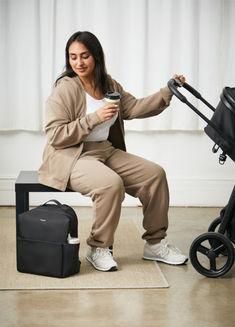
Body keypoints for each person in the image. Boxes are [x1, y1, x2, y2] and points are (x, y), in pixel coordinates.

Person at [39, 31, 188, 272]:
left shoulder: (108, 84)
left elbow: (135, 108)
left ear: (96, 56)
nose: (79, 62)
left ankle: (155, 243)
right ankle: (99, 247)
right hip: (72, 156)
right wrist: (93, 119)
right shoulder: (64, 89)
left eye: (84, 56)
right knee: (110, 184)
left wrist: (167, 91)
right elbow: (55, 135)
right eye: (73, 57)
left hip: (105, 151)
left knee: (154, 174)